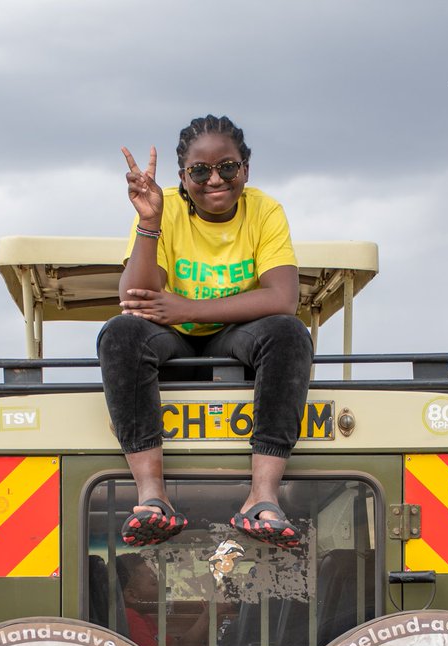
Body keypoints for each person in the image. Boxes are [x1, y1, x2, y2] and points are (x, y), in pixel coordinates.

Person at [97, 114, 314, 550]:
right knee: (120, 334)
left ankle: (262, 496)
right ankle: (152, 495)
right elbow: (135, 297)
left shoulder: (265, 210)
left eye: (227, 167)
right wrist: (150, 223)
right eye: (199, 171)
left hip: (234, 337)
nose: (215, 179)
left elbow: (282, 298)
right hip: (171, 339)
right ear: (183, 177)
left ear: (245, 170)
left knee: (290, 333)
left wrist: (188, 308)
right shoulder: (168, 208)